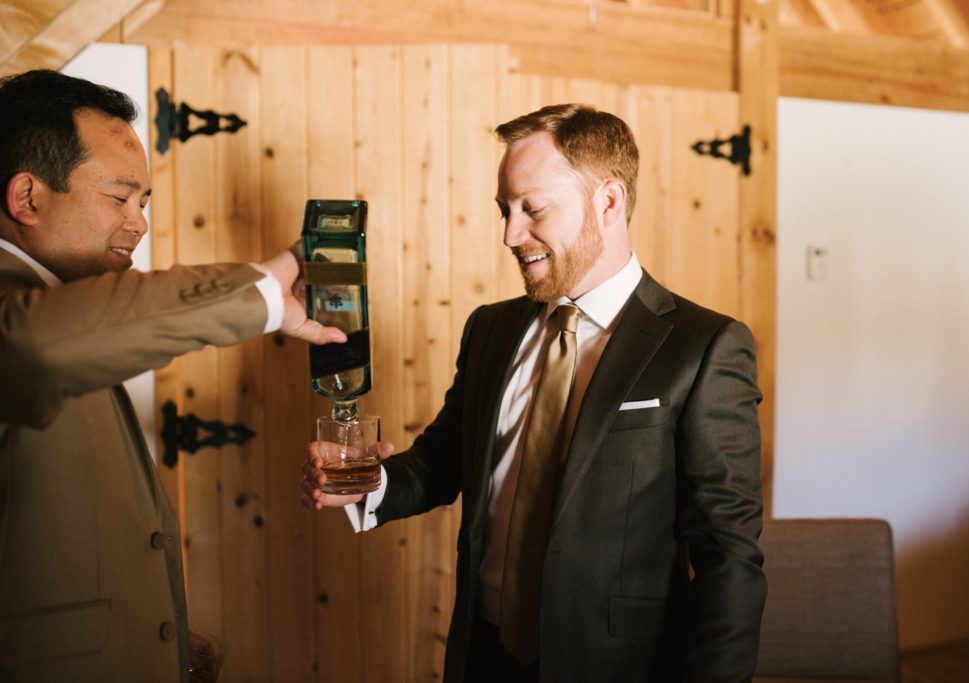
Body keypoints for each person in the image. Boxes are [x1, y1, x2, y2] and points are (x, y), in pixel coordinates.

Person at [302, 103, 766, 682]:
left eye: (533, 209)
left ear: (609, 201)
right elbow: (446, 460)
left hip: (622, 667)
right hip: (484, 656)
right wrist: (371, 482)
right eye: (505, 209)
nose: (509, 235)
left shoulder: (705, 346)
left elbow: (729, 555)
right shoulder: (490, 329)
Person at [0, 70, 343, 681]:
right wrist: (267, 282)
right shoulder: (34, 320)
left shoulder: (70, 304)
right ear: (27, 197)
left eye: (145, 203)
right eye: (119, 197)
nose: (140, 223)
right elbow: (36, 348)